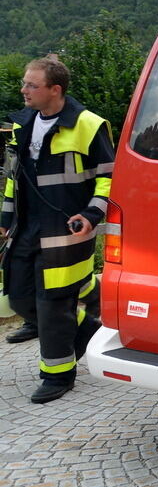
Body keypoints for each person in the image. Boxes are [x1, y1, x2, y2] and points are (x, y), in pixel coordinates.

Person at [0, 56, 114, 403]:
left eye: (31, 85)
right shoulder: (21, 125)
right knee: (18, 294)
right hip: (25, 227)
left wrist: (91, 214)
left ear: (55, 89)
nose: (23, 90)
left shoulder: (89, 125)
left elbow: (109, 176)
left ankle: (58, 374)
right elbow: (12, 178)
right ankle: (85, 328)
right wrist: (5, 221)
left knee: (52, 303)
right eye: (24, 83)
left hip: (67, 228)